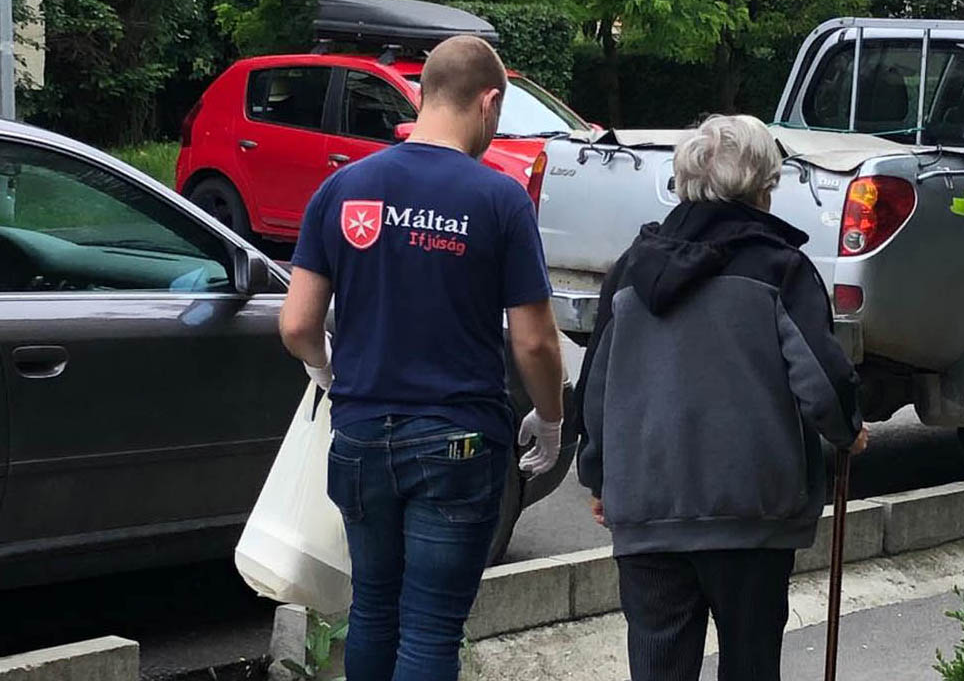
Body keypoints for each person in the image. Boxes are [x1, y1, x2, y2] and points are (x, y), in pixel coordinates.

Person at [279, 35, 565, 681]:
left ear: (424, 94)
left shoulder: (343, 188)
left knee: (373, 609)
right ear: (488, 103)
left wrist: (329, 373)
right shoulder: (501, 201)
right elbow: (536, 341)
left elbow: (297, 323)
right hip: (456, 442)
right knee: (432, 628)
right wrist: (550, 420)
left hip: (357, 437)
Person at [576, 114, 868, 681]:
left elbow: (595, 388)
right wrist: (847, 429)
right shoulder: (780, 268)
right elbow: (822, 380)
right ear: (763, 187)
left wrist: (599, 477)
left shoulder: (631, 271)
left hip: (648, 513)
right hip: (751, 515)